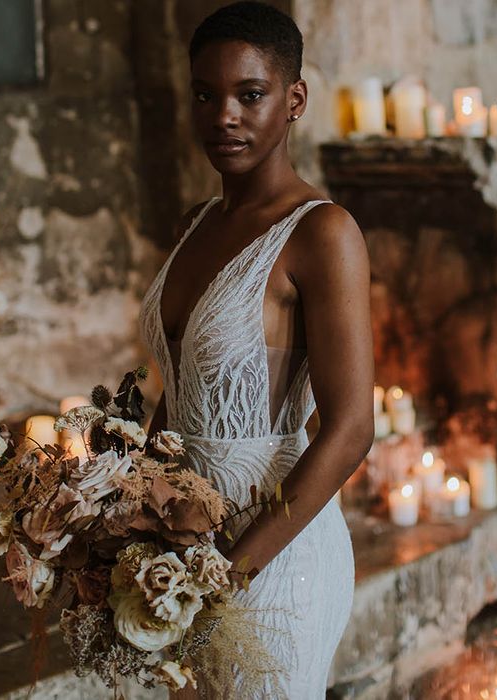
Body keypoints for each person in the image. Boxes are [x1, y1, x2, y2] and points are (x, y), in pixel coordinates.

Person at [138, 2, 374, 697]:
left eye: (250, 94)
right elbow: (177, 398)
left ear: (294, 98)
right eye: (206, 95)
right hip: (181, 556)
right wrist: (122, 514)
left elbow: (352, 428)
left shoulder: (322, 233)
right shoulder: (196, 223)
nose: (224, 117)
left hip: (273, 558)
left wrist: (226, 577)